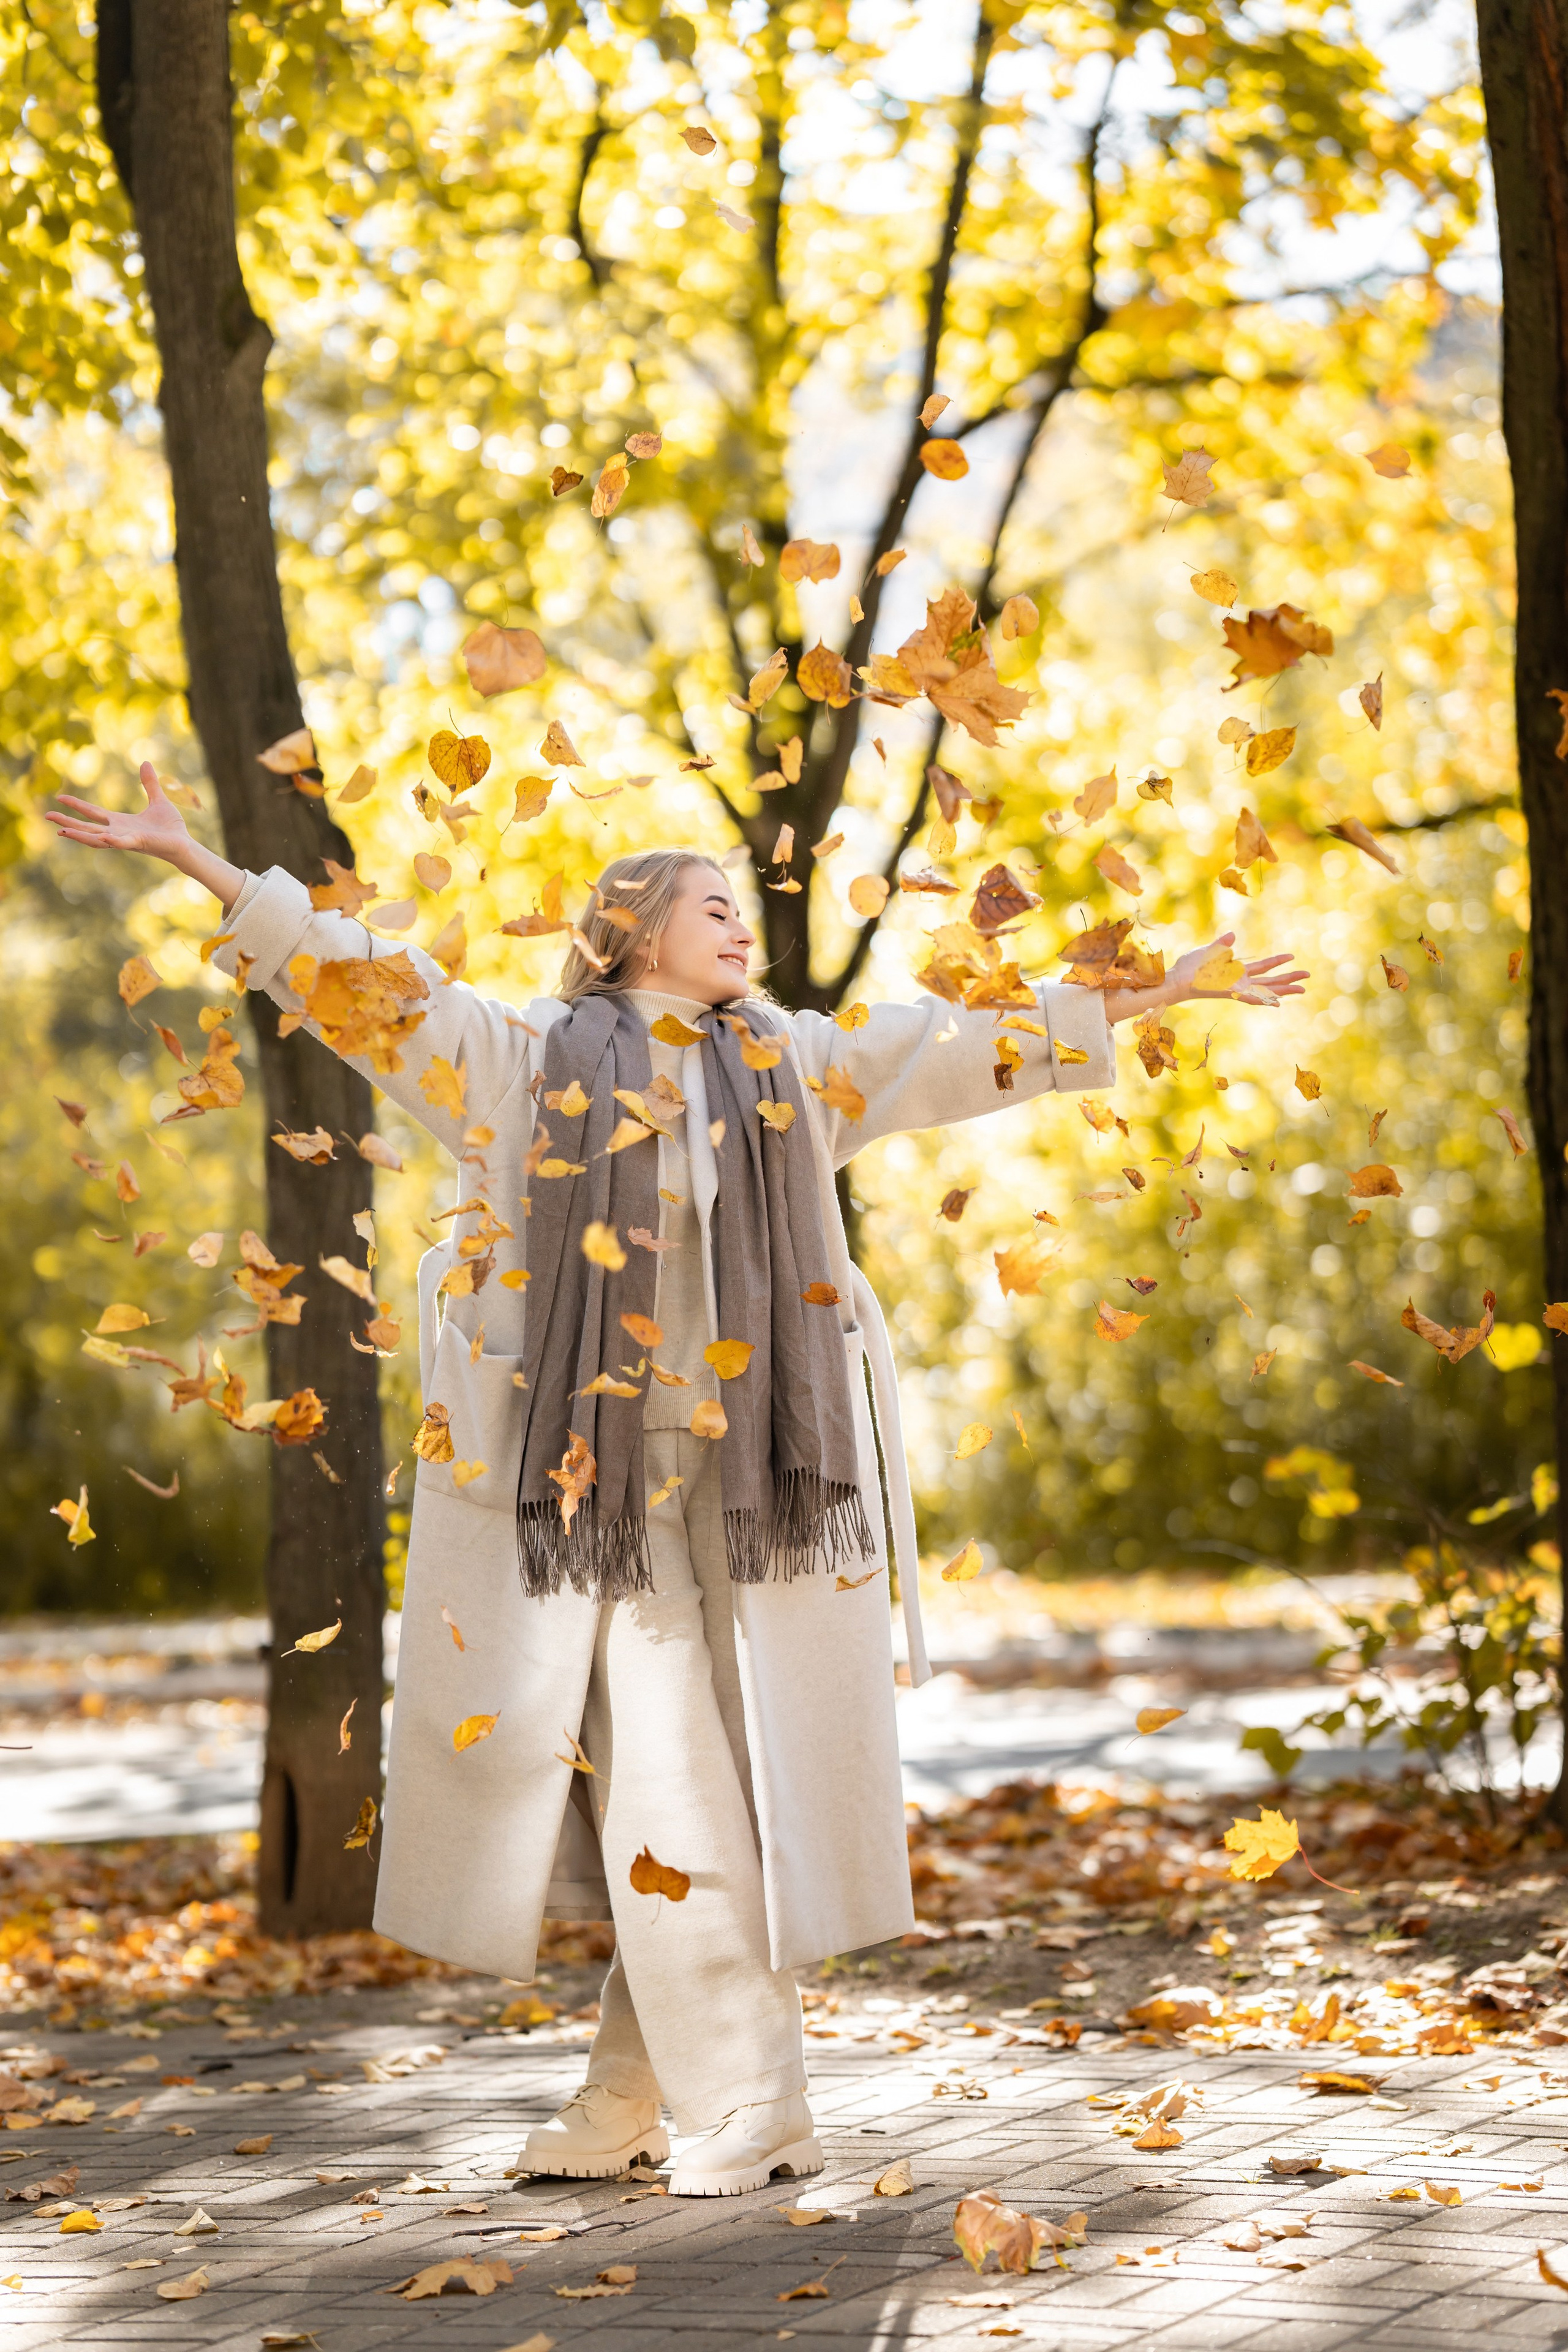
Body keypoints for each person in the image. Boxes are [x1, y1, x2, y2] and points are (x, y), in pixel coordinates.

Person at [48, 763, 1306, 2193]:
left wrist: (1159, 990)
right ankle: (690, 2104)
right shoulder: (522, 1061)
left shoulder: (785, 1064)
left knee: (688, 1790)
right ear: (636, 928)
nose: (738, 924)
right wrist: (201, 863)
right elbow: (364, 987)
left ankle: (685, 2107)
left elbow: (956, 1044)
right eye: (711, 904)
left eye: (738, 907)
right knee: (660, 1786)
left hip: (749, 1484)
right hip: (591, 1495)